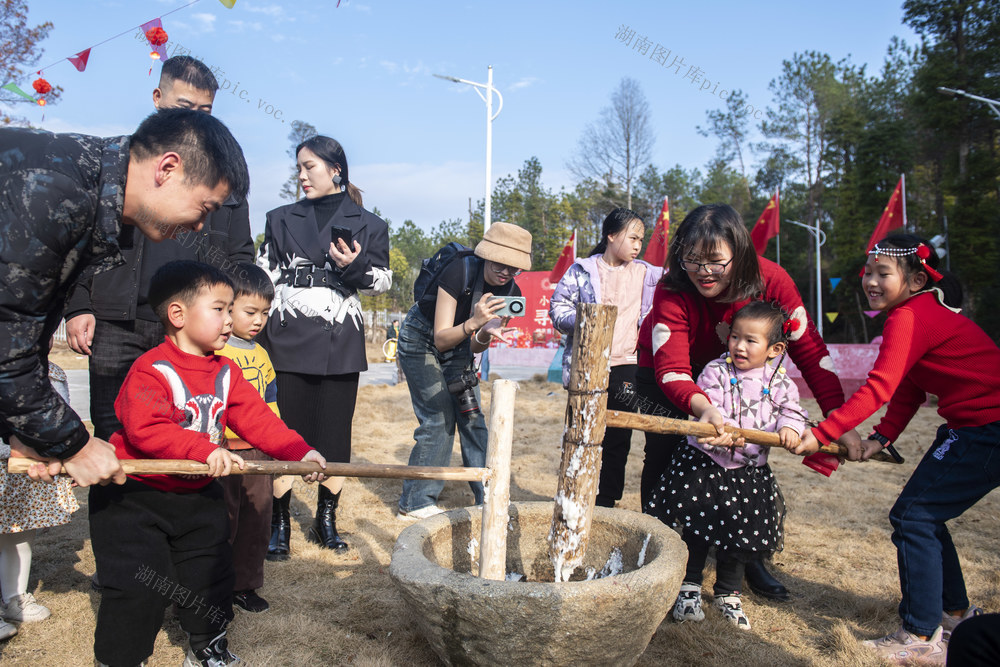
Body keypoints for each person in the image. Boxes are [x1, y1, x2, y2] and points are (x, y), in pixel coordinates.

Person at [89, 260, 327, 667]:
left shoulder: (226, 371)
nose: (229, 318)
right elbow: (145, 428)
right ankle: (121, 658)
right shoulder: (151, 369)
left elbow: (257, 419)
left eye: (230, 307)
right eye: (219, 308)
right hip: (136, 496)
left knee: (211, 575)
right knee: (136, 587)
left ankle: (207, 645)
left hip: (197, 495)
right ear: (177, 315)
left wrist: (298, 451)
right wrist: (202, 449)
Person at [0, 107, 250, 487]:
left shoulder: (86, 187)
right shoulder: (52, 191)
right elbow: (7, 346)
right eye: (205, 207)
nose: (200, 226)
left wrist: (25, 433)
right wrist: (74, 445)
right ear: (167, 168)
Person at [636, 203, 860, 601]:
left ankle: (746, 554)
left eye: (716, 261)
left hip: (750, 382)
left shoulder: (772, 279)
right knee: (667, 458)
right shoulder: (672, 287)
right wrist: (704, 409)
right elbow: (672, 367)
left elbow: (809, 351)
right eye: (692, 258)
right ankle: (662, 553)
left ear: (738, 252)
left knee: (746, 469)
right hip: (674, 382)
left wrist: (840, 419)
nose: (703, 271)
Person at [792, 233, 999, 664]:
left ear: (917, 279)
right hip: (974, 426)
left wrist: (824, 431)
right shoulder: (916, 312)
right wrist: (881, 438)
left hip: (987, 427)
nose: (870, 281)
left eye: (883, 273)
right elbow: (909, 386)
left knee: (914, 516)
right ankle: (954, 613)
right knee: (922, 515)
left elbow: (881, 386)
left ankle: (921, 634)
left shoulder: (909, 317)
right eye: (867, 272)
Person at [64, 55, 254, 442]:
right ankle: (117, 504)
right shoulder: (122, 171)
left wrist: (226, 313)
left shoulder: (224, 183)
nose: (196, 118)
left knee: (190, 427)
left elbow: (240, 258)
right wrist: (79, 304)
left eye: (206, 110)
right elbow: (83, 246)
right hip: (120, 323)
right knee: (115, 431)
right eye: (185, 107)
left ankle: (180, 502)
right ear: (157, 97)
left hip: (189, 330)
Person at [259, 135, 392, 555]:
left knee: (335, 434)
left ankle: (325, 521)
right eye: (298, 167)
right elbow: (264, 275)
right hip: (285, 336)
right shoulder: (279, 218)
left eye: (309, 167)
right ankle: (278, 524)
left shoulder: (370, 224)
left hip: (340, 340)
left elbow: (383, 282)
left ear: (336, 169)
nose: (301, 175)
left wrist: (355, 267)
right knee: (283, 433)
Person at [651, 301, 806, 630]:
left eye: (751, 340)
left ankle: (727, 593)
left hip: (748, 474)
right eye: (735, 337)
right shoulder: (716, 370)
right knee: (697, 530)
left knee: (739, 537)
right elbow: (708, 402)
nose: (739, 346)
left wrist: (790, 429)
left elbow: (792, 410)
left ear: (774, 348)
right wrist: (716, 428)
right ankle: (689, 587)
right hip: (706, 465)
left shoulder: (780, 382)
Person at [396, 223, 531, 520]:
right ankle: (415, 503)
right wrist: (474, 322)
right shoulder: (459, 271)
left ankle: (489, 498)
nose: (505, 273)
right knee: (439, 416)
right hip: (421, 339)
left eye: (514, 269)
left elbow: (474, 347)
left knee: (471, 416)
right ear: (487, 255)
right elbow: (442, 338)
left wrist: (488, 333)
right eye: (500, 264)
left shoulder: (511, 291)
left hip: (460, 349)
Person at [549, 208, 663, 508]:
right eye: (633, 238)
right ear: (611, 236)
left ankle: (607, 500)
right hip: (588, 363)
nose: (638, 245)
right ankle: (574, 494)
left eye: (642, 239)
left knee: (618, 435)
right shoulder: (582, 270)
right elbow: (558, 308)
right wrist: (588, 321)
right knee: (582, 430)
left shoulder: (646, 274)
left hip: (626, 364)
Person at [0, 344, 80, 641]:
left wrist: (67, 457)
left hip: (28, 473)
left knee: (20, 535)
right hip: (7, 462)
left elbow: (61, 419)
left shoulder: (52, 373)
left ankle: (15, 596)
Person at [215, 263, 280, 614]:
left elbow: (271, 404)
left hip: (257, 453)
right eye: (250, 311)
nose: (258, 321)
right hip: (222, 451)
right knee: (224, 519)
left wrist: (275, 447)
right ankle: (217, 585)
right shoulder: (216, 352)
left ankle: (246, 585)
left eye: (265, 313)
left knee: (256, 519)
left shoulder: (263, 356)